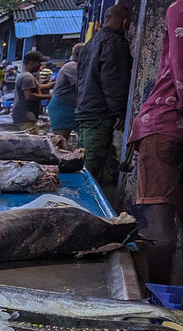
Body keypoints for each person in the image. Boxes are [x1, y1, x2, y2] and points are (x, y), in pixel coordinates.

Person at [128, 0, 183, 286]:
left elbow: (179, 69)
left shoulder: (179, 9)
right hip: (168, 130)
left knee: (160, 228)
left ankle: (157, 305)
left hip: (164, 124)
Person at [75, 4, 133, 188]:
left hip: (86, 112)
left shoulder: (91, 42)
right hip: (100, 115)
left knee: (86, 168)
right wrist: (119, 112)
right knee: (91, 173)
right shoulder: (115, 43)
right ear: (126, 23)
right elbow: (113, 80)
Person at [48, 43, 85, 147]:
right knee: (61, 142)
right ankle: (61, 162)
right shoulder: (72, 67)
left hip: (72, 107)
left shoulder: (78, 66)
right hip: (62, 108)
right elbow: (83, 85)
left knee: (83, 139)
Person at [12, 51, 52, 134]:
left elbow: (34, 87)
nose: (40, 65)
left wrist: (51, 85)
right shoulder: (28, 77)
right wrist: (49, 96)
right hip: (26, 115)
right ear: (31, 62)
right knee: (31, 141)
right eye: (39, 62)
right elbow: (29, 96)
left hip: (24, 115)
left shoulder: (26, 76)